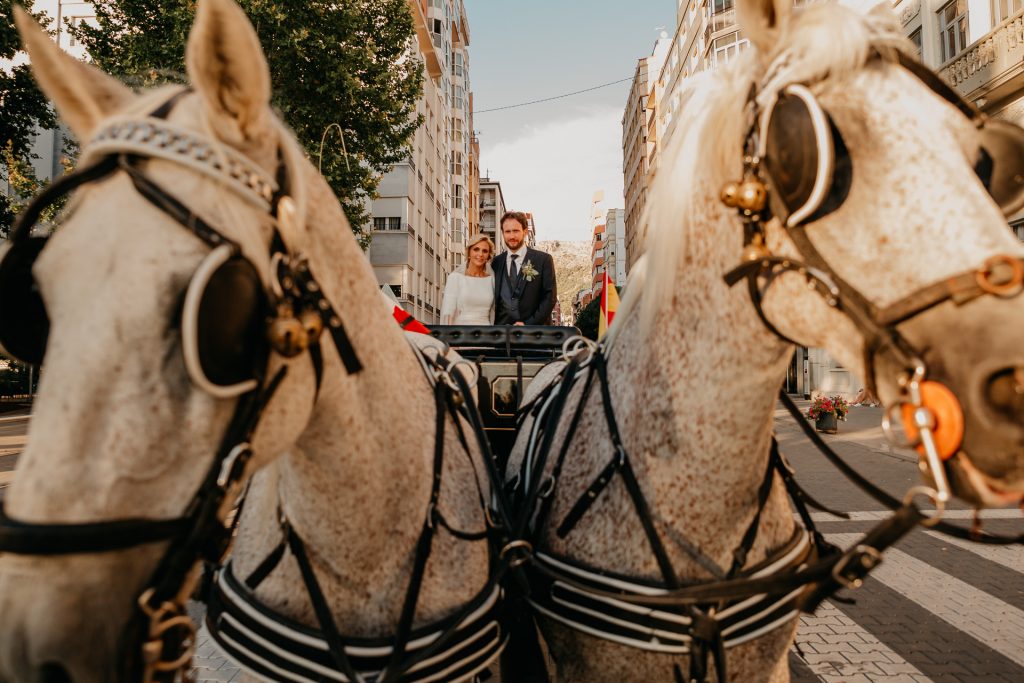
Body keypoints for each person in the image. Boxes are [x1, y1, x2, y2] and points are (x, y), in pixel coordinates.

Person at [491, 211, 557, 326]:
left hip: (533, 335)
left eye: (516, 231)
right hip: (501, 335)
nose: (512, 236)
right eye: (507, 231)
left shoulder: (543, 260)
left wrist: (528, 324)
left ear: (525, 232)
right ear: (502, 233)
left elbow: (549, 297)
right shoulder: (496, 262)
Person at [440, 233, 496, 324]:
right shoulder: (455, 278)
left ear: (488, 256)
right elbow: (448, 313)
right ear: (469, 253)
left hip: (485, 332)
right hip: (461, 332)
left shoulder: (491, 280)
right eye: (476, 249)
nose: (480, 254)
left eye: (485, 251)